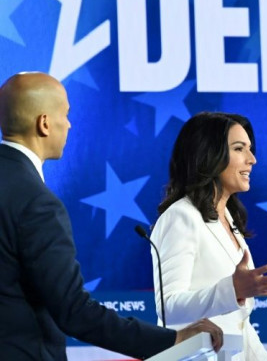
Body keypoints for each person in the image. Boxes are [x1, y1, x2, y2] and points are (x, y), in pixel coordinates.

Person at [0, 72, 223, 360]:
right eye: (65, 114)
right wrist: (174, 339)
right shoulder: (37, 203)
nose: (68, 124)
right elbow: (74, 311)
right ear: (44, 123)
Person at [151, 111, 267, 361]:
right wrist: (232, 289)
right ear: (209, 155)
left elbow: (240, 325)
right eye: (240, 149)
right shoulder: (180, 217)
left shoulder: (228, 218)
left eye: (250, 149)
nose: (252, 159)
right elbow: (168, 308)